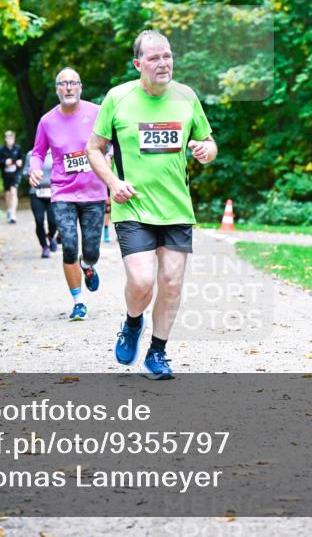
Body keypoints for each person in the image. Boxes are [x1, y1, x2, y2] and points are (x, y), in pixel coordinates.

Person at [86, 29, 217, 379]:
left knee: (172, 283)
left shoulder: (186, 97)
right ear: (138, 63)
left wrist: (206, 150)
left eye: (168, 55)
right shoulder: (118, 98)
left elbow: (207, 140)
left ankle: (157, 353)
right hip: (134, 207)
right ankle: (132, 323)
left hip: (176, 208)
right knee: (142, 282)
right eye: (155, 57)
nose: (163, 63)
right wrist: (113, 183)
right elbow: (93, 148)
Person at [29, 67, 108, 321]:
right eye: (63, 84)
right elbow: (38, 152)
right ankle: (78, 301)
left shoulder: (97, 113)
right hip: (62, 192)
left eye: (73, 83)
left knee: (92, 251)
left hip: (94, 191)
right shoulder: (47, 121)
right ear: (57, 89)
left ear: (80, 87)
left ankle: (88, 266)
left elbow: (113, 142)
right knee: (69, 246)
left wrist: (108, 156)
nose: (69, 87)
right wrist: (34, 169)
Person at [28, 149, 58, 258]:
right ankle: (44, 247)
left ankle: (50, 236)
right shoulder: (31, 155)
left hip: (52, 192)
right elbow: (25, 172)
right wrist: (31, 174)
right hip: (36, 192)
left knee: (53, 221)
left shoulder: (56, 151)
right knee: (39, 220)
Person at [0, 130, 25, 223]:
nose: (10, 140)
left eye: (12, 138)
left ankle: (13, 214)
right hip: (6, 174)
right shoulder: (1, 150)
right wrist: (4, 162)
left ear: (14, 138)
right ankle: (8, 209)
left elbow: (22, 158)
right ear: (5, 139)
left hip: (15, 173)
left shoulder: (17, 148)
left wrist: (20, 162)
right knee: (8, 193)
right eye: (8, 138)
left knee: (13, 191)